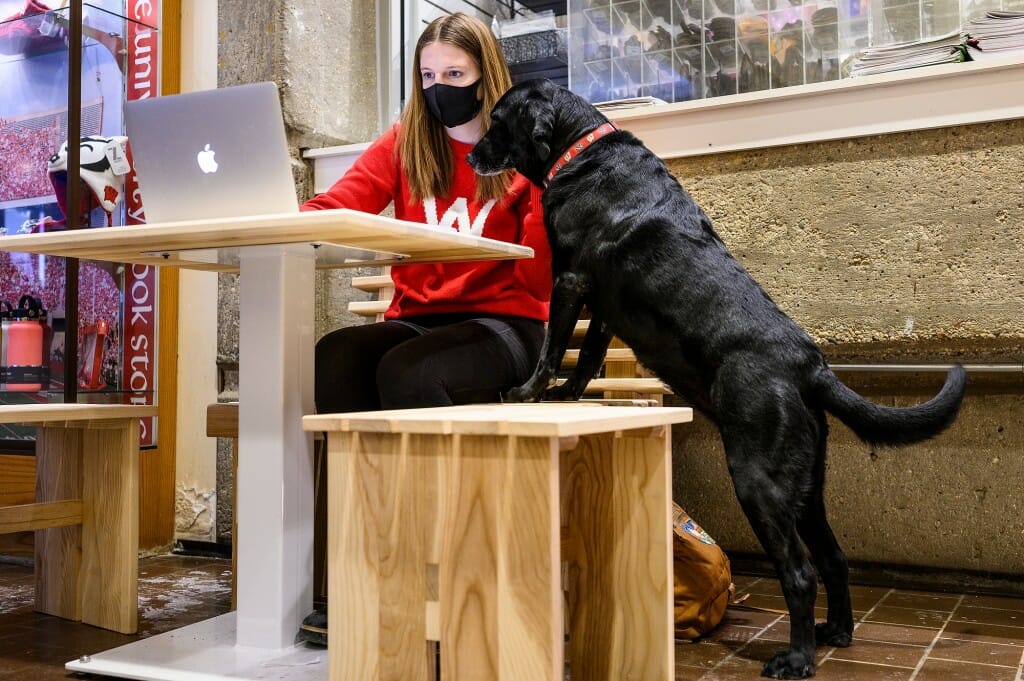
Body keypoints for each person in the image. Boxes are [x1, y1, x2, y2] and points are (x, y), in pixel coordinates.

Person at [296, 12, 552, 645]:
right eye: (429, 74)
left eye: (456, 74)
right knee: (339, 354)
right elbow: (338, 204)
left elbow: (541, 278)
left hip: (507, 327)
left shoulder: (524, 147)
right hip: (417, 321)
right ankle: (352, 571)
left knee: (407, 371)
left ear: (486, 76)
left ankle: (437, 573)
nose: (441, 88)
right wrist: (284, 219)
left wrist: (549, 185)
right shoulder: (408, 139)